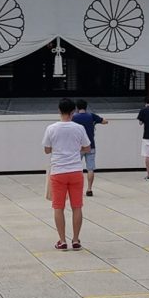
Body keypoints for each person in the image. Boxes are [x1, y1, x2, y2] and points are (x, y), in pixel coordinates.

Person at [42, 98, 91, 250]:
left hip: (58, 171)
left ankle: (62, 240)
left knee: (58, 207)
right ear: (73, 112)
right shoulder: (79, 128)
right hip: (75, 170)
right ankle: (76, 240)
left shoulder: (51, 128)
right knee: (77, 206)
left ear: (59, 110)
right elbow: (87, 148)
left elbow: (47, 149)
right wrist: (76, 150)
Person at [72, 99, 108, 197]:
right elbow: (105, 121)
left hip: (78, 147)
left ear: (77, 108)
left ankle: (77, 189)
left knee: (76, 168)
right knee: (90, 168)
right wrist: (95, 123)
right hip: (91, 145)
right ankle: (89, 189)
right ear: (86, 107)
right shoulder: (91, 116)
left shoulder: (74, 117)